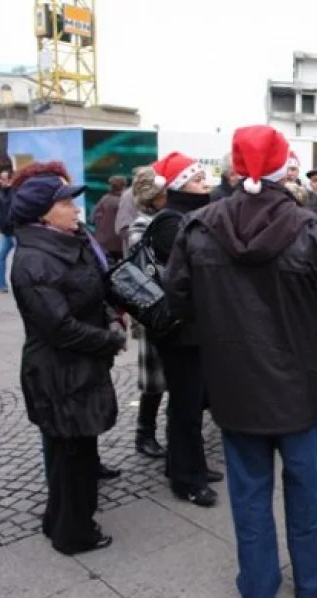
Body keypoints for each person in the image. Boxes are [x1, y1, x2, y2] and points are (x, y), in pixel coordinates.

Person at [164, 125, 317, 598]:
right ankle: (313, 577)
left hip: (234, 384)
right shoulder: (315, 230)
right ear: (283, 169)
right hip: (296, 384)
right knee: (303, 483)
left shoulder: (200, 227)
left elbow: (177, 300)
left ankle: (258, 587)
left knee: (249, 490)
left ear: (235, 167)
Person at [9, 171, 125, 555]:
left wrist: (109, 315)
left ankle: (58, 519)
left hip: (77, 368)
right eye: (65, 204)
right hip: (60, 371)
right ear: (44, 215)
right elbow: (60, 328)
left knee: (74, 453)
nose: (76, 210)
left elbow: (95, 290)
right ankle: (73, 533)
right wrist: (110, 339)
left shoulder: (64, 245)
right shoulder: (34, 260)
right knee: (72, 456)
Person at [148, 151, 221, 507]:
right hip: (179, 330)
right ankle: (185, 478)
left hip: (193, 326)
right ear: (180, 186)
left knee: (189, 403)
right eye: (197, 179)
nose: (205, 184)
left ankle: (190, 464)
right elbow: (193, 270)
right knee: (186, 406)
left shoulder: (187, 216)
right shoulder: (170, 221)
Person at [126, 167, 169, 459]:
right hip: (152, 310)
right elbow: (148, 268)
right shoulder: (142, 226)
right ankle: (145, 433)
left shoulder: (166, 220)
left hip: (170, 310)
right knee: (154, 381)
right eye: (163, 193)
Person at [92, 175, 127, 262]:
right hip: (120, 245)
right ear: (124, 186)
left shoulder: (104, 200)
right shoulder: (126, 201)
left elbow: (92, 219)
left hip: (103, 244)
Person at [0, 169, 15, 292]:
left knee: (22, 260)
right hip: (6, 232)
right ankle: (0, 285)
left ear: (10, 180)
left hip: (17, 231)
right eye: (0, 178)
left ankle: (23, 284)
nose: (0, 181)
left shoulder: (16, 192)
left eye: (3, 178)